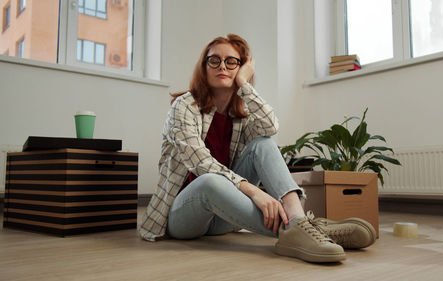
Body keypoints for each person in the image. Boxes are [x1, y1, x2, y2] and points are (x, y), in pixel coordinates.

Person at [139, 34, 376, 263]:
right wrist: (255, 192)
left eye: (231, 62)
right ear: (204, 67)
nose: (222, 66)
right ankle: (301, 231)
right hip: (183, 217)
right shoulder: (185, 106)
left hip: (222, 217)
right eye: (214, 60)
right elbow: (201, 163)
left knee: (262, 144)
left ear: (241, 68)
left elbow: (270, 126)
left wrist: (243, 84)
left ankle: (297, 220)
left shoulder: (240, 116)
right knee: (210, 181)